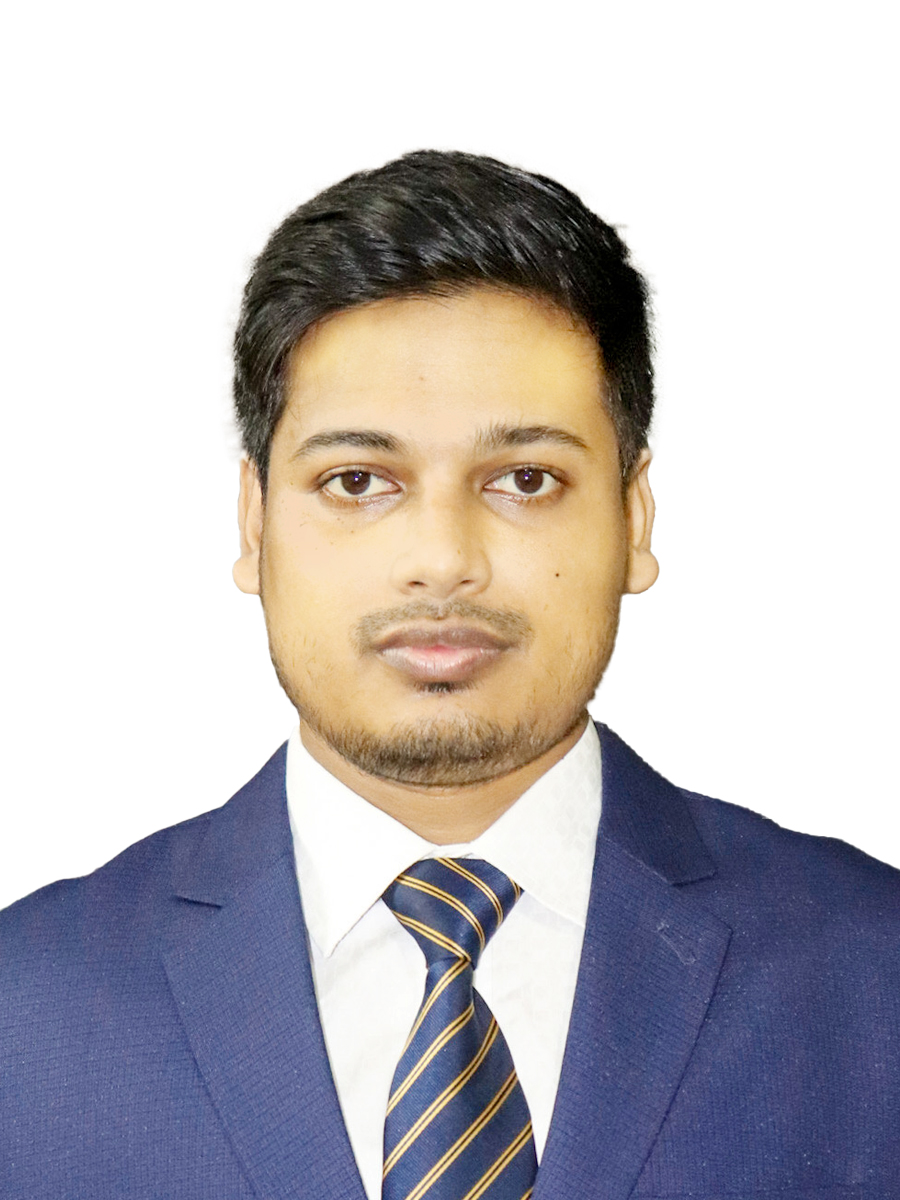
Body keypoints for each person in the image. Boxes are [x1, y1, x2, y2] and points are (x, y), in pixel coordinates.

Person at [1, 151, 897, 1200]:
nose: (441, 558)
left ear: (633, 516)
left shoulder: (872, 972)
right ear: (254, 522)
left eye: (526, 478)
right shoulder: (27, 1010)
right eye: (356, 481)